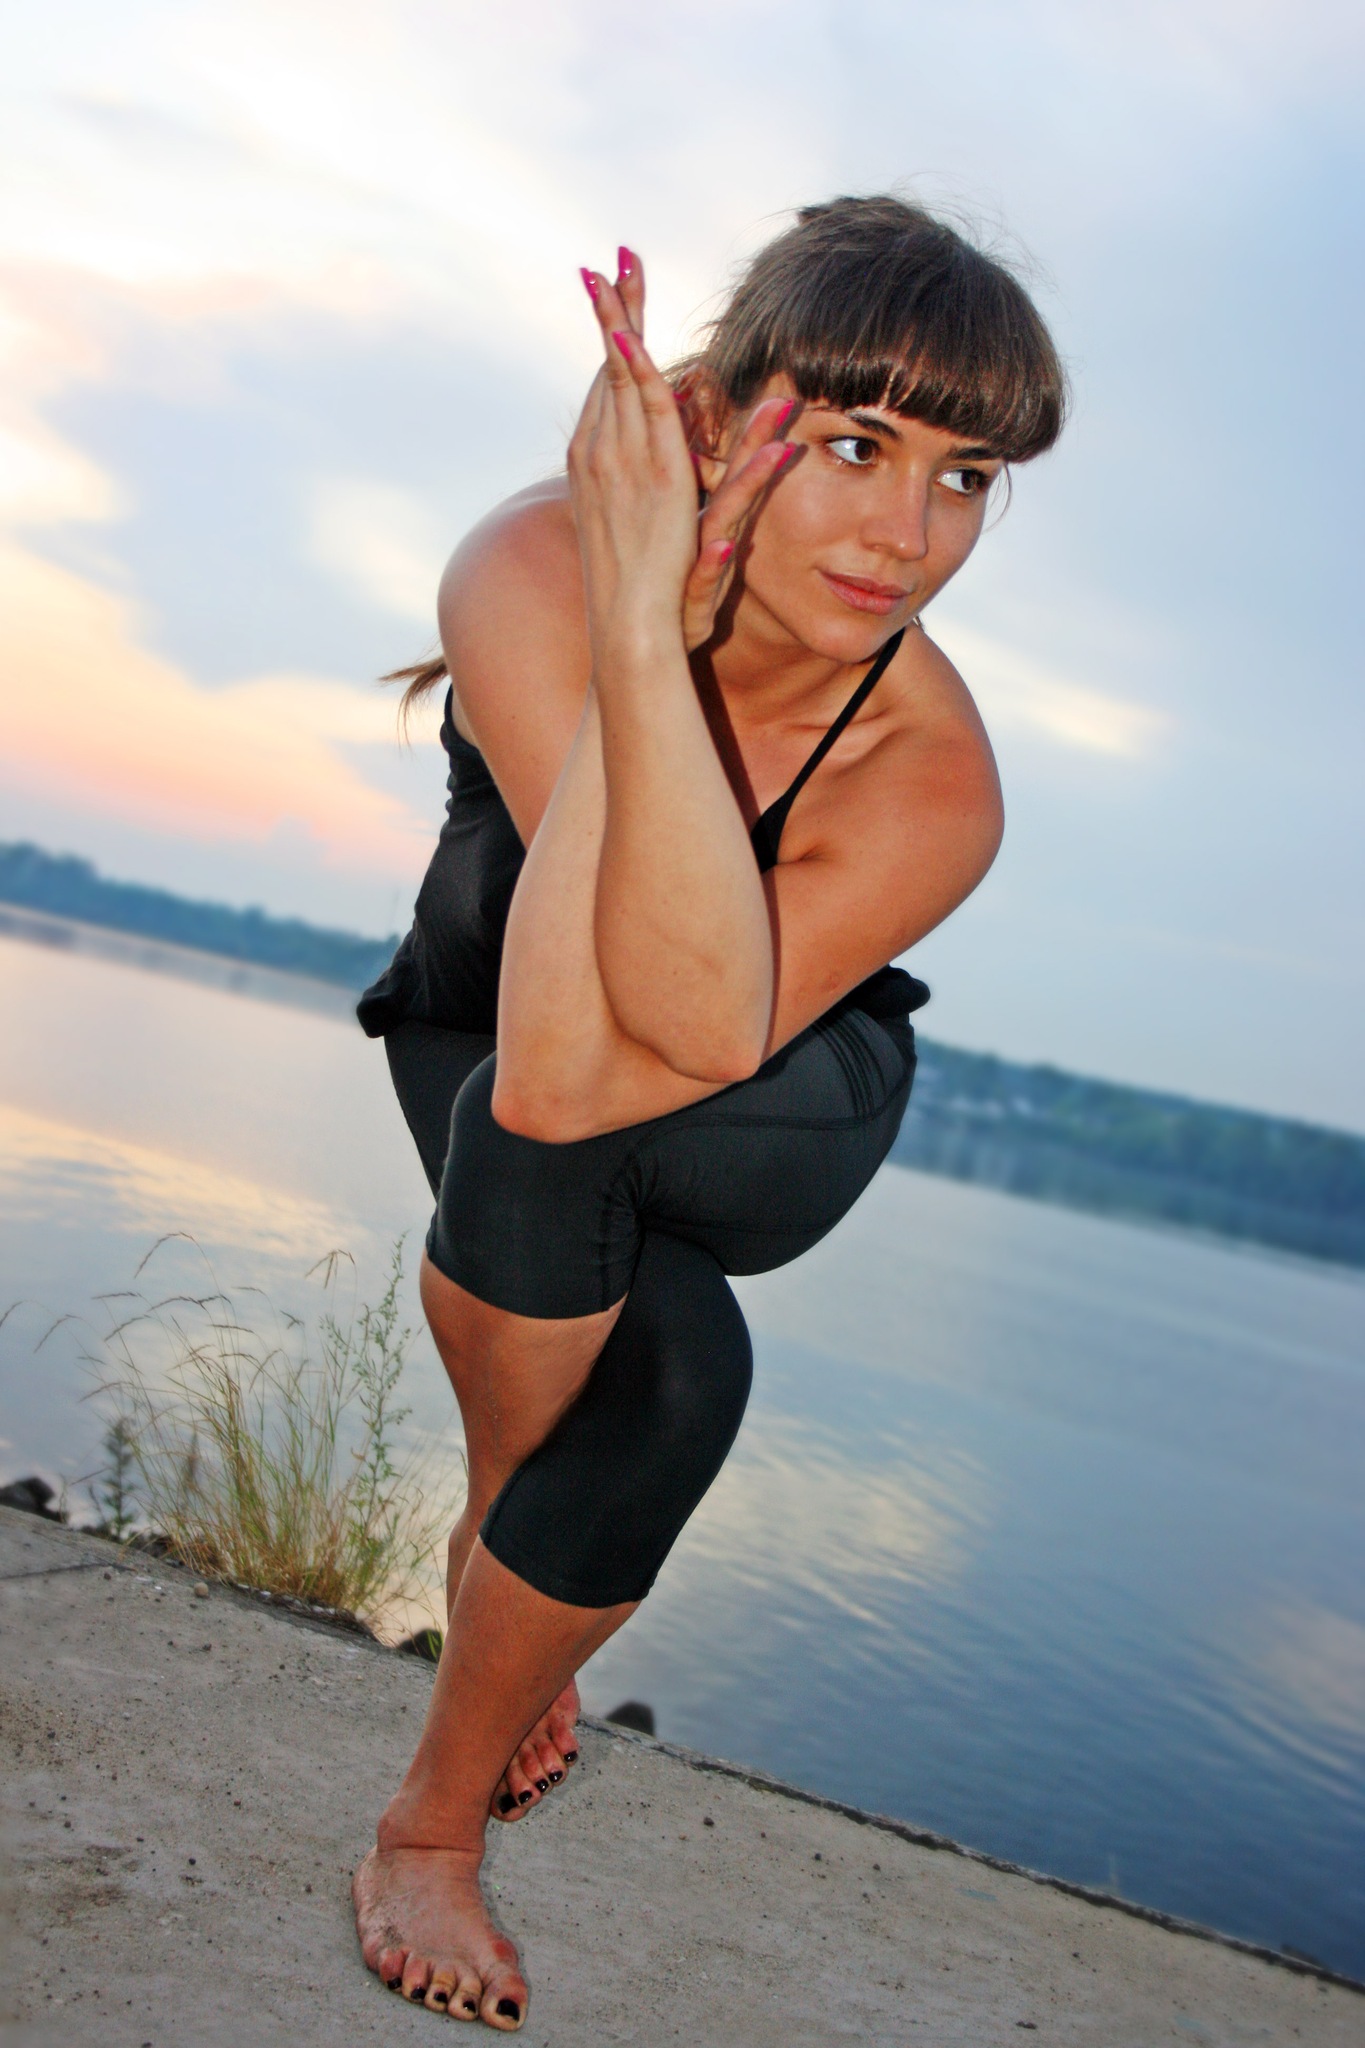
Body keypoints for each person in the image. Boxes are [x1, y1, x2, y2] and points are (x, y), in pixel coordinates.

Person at [351, 194, 1065, 2028]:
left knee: (557, 1116)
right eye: (856, 445)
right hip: (490, 1033)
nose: (908, 533)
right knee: (671, 1379)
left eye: (966, 478)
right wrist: (634, 626)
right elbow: (556, 1039)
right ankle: (433, 1818)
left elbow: (628, 1048)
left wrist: (643, 650)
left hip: (775, 1094)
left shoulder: (930, 774)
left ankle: (478, 1624)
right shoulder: (531, 562)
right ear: (712, 417)